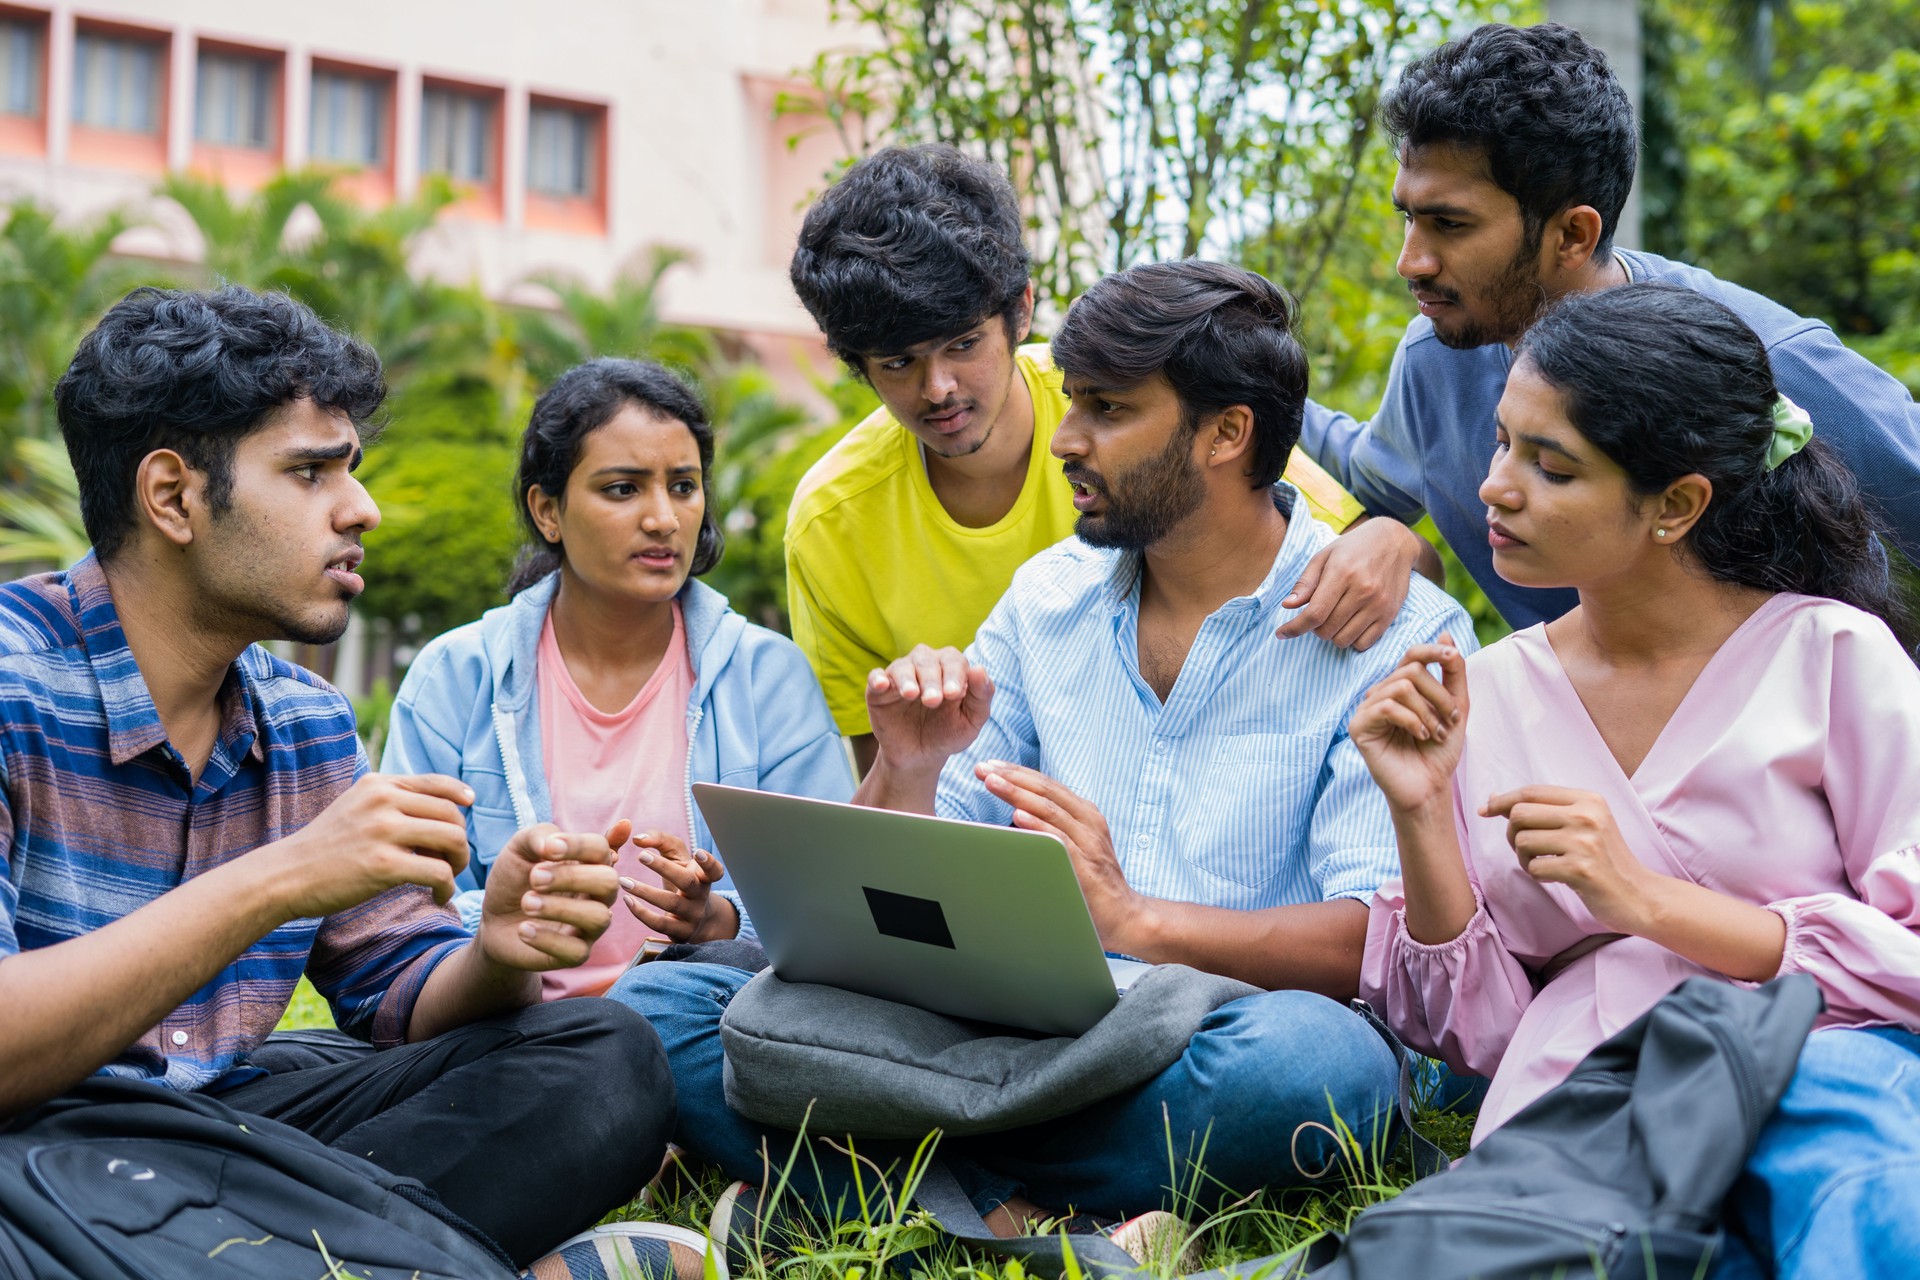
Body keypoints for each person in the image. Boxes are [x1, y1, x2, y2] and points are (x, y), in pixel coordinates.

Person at [615, 260, 1477, 1248]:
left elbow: (1375, 944)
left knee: (1326, 1068)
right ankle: (1040, 1218)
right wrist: (905, 763)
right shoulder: (1046, 598)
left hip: (1201, 1040)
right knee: (660, 1006)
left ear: (1227, 433)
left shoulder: (1389, 627)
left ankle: (888, 1186)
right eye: (1073, 403)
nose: (1066, 440)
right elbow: (895, 909)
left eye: (1107, 410)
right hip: (1001, 1029)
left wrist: (1133, 918)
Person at [0, 287, 699, 1279]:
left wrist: (500, 949)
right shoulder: (12, 684)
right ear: (172, 496)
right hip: (30, 1137)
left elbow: (402, 993)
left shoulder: (303, 718)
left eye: (351, 469)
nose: (360, 508)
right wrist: (283, 877)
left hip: (216, 1131)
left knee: (605, 1053)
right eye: (310, 471)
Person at [1351, 283, 1920, 1278]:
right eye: (1500, 443)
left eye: (1551, 464)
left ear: (1677, 504)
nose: (1495, 487)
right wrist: (1419, 812)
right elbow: (1479, 1032)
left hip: (1816, 1063)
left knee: (1854, 1196)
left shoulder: (1832, 655)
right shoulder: (1482, 695)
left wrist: (1645, 899)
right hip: (1584, 1103)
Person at [786, 144, 1443, 772]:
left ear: (1020, 310)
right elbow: (896, 787)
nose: (938, 390)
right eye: (897, 363)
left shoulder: (1127, 407)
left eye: (962, 344)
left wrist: (1392, 540)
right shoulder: (830, 524)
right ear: (857, 366)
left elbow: (1362, 557)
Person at [1298, 21, 1920, 633]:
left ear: (1573, 234)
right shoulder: (1439, 358)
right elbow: (1362, 477)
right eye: (1407, 217)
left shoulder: (1763, 358)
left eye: (1450, 224)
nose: (1411, 261)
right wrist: (1233, 372)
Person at [382, 359, 853, 998]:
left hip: (703, 1024)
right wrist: (508, 915)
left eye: (683, 486)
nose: (663, 518)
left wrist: (718, 919)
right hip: (499, 1027)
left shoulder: (767, 677)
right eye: (623, 489)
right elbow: (400, 910)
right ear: (548, 510)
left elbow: (827, 901)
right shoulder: (456, 677)